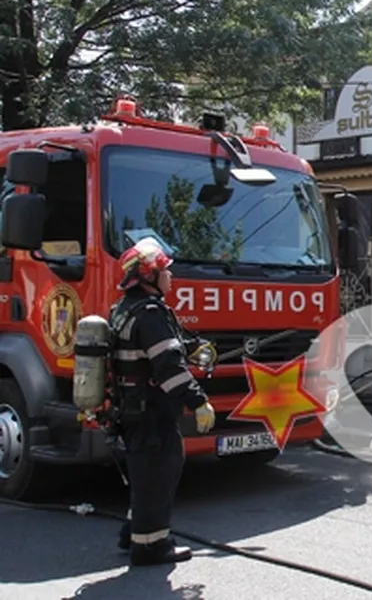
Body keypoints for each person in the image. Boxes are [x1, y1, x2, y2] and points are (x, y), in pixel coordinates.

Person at [110, 237, 216, 566]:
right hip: (152, 413)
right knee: (159, 472)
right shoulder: (151, 313)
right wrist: (198, 402)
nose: (171, 276)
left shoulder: (125, 308)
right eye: (165, 271)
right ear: (148, 277)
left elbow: (164, 348)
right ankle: (151, 546)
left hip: (131, 411)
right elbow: (168, 367)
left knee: (144, 474)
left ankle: (135, 531)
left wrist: (192, 347)